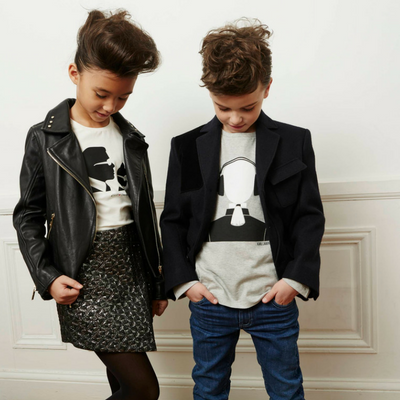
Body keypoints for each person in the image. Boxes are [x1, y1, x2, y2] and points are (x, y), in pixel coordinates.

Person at [160, 19, 325, 400]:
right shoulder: (186, 147)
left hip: (273, 296)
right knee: (208, 388)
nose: (235, 118)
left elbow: (309, 217)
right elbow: (173, 220)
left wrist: (294, 280)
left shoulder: (294, 141)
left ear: (267, 87)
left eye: (247, 107)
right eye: (223, 107)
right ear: (209, 93)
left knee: (286, 389)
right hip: (210, 298)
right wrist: (186, 283)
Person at [13, 10, 167, 400]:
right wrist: (47, 276)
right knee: (143, 389)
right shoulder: (45, 138)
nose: (111, 105)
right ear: (74, 73)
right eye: (101, 93)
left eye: (123, 96)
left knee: (124, 384)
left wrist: (157, 281)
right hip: (85, 273)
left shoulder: (132, 139)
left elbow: (143, 214)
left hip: (133, 270)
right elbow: (27, 215)